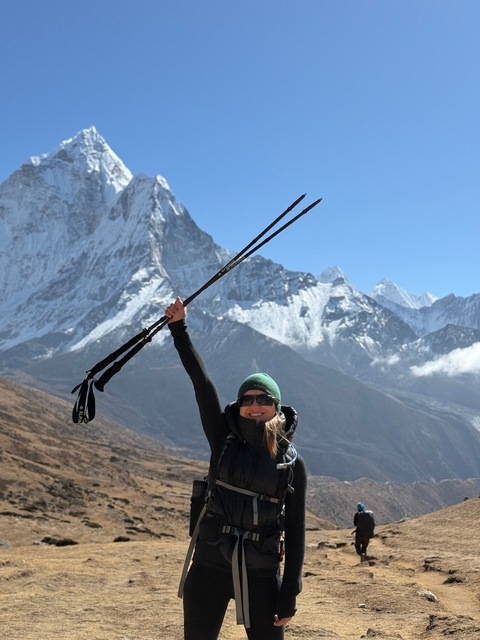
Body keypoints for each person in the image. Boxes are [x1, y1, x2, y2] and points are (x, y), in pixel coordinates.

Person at [165, 297, 307, 640]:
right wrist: (179, 328)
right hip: (210, 562)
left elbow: (297, 530)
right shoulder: (222, 438)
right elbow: (202, 385)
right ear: (239, 405)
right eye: (248, 399)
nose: (255, 405)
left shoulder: (292, 464)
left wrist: (290, 592)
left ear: (276, 406)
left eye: (263, 399)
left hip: (261, 571)